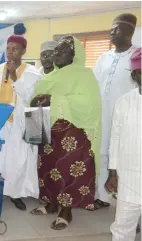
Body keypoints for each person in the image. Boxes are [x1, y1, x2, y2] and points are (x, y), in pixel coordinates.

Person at [30, 36, 102, 230]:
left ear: (74, 55)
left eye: (62, 51)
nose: (56, 55)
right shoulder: (52, 75)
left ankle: (66, 211)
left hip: (72, 132)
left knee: (68, 171)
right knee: (47, 168)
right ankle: (51, 203)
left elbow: (88, 104)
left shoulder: (84, 75)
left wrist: (54, 99)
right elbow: (37, 96)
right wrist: (38, 99)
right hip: (47, 130)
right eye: (56, 51)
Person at [0, 33, 42, 211]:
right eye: (8, 49)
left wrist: (14, 76)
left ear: (24, 51)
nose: (10, 53)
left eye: (15, 49)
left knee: (17, 160)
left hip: (20, 123)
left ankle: (15, 193)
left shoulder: (31, 73)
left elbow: (31, 97)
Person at [93, 13, 138, 210]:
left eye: (116, 29)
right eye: (111, 29)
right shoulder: (103, 58)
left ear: (130, 31)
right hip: (102, 115)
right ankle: (103, 196)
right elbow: (93, 86)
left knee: (126, 156)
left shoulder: (138, 56)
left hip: (130, 118)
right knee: (103, 153)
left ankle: (129, 199)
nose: (111, 32)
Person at [106, 47, 141, 241]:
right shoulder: (123, 103)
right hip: (129, 177)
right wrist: (112, 173)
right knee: (123, 227)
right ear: (136, 74)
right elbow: (115, 139)